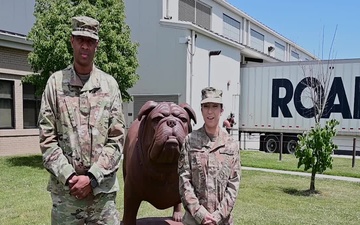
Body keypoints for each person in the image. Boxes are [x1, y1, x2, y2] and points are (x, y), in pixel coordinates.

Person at [38, 16, 125, 225]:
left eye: (90, 41)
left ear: (97, 44)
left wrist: (92, 178)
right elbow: (47, 140)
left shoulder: (109, 86)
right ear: (72, 41)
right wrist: (70, 178)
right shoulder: (55, 84)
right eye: (80, 39)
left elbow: (117, 140)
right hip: (66, 197)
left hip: (101, 198)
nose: (85, 46)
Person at [178, 87, 241, 225]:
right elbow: (184, 181)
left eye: (215, 106)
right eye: (206, 106)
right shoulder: (190, 141)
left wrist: (217, 216)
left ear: (221, 110)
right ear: (201, 109)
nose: (210, 111)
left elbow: (233, 186)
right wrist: (201, 214)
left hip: (222, 221)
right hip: (194, 220)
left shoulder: (231, 144)